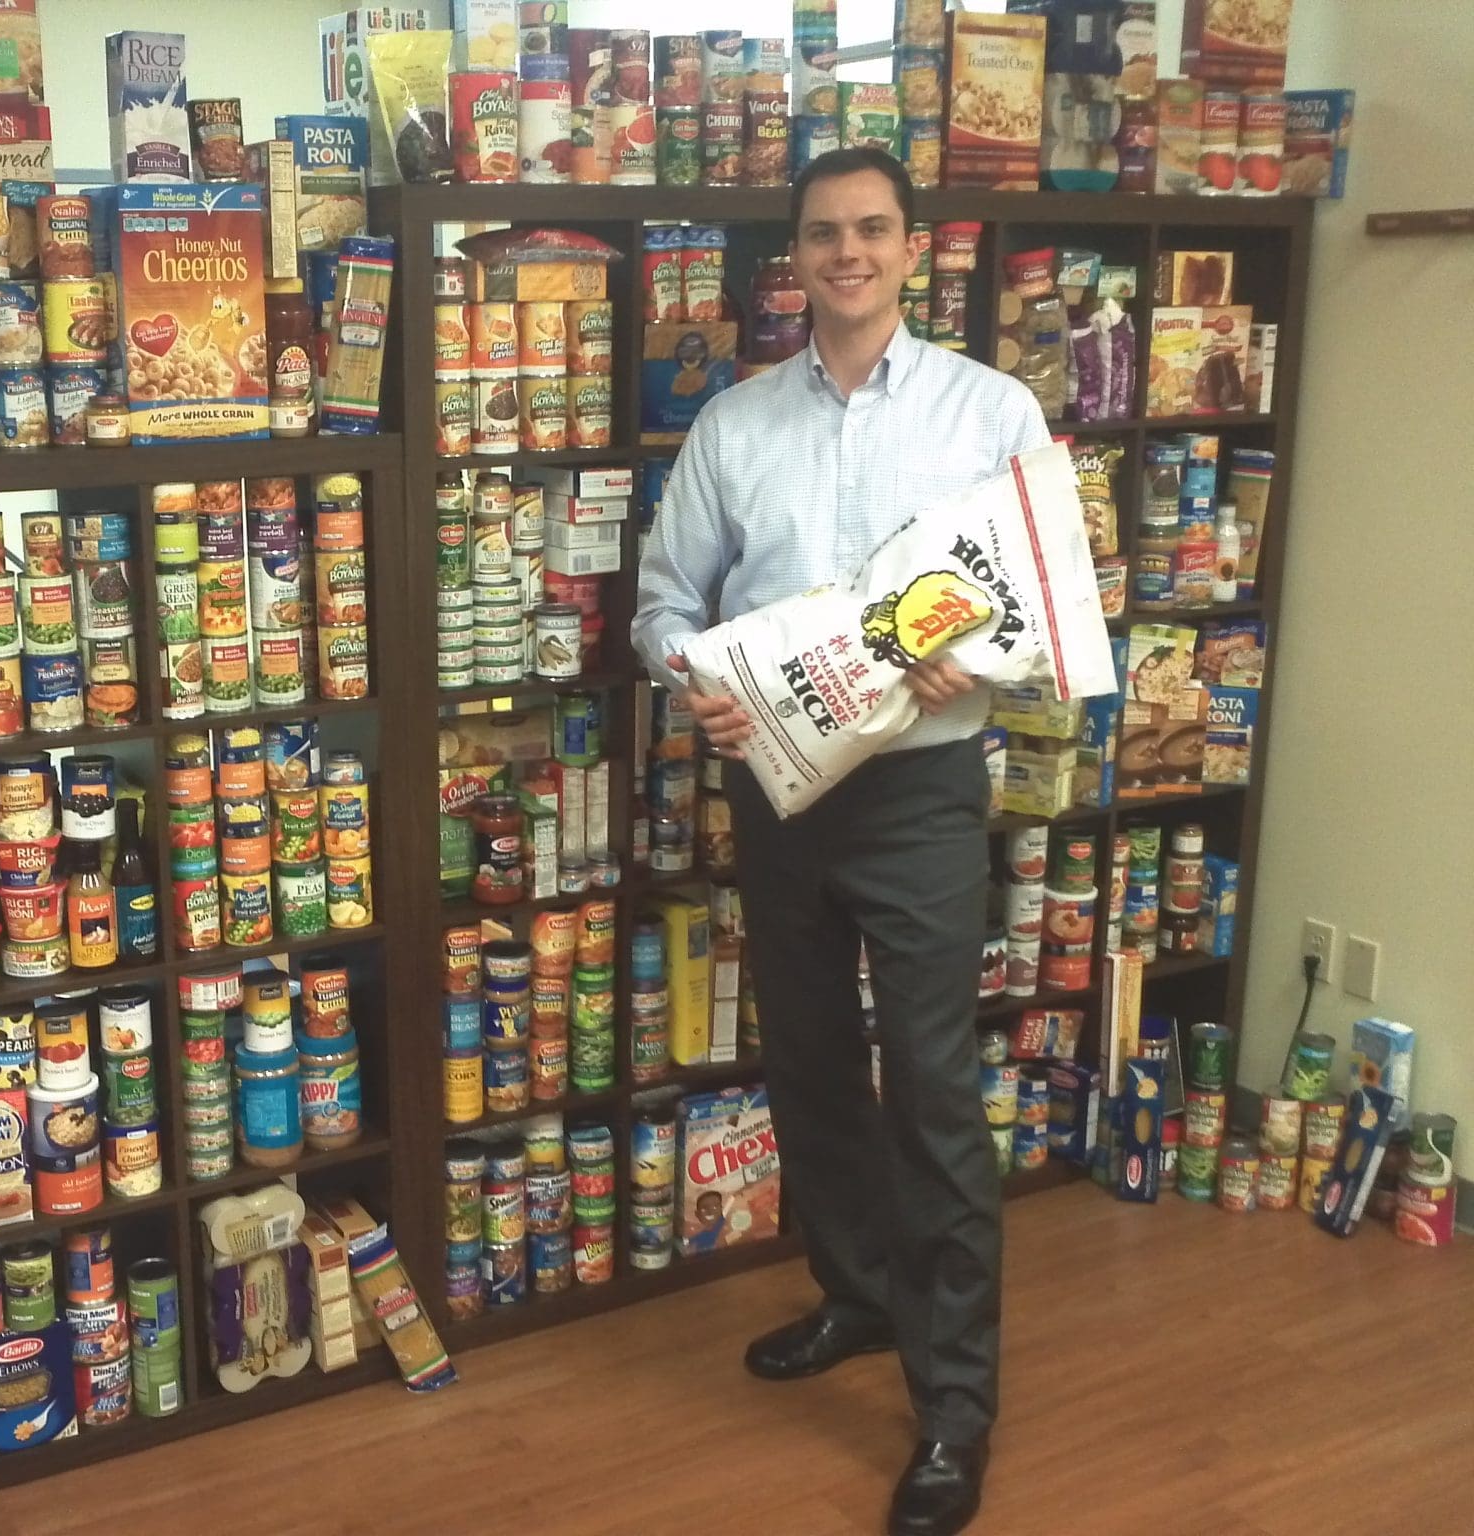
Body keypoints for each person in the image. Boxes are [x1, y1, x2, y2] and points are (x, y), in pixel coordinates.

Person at [631, 146, 1052, 1536]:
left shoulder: (993, 412)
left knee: (932, 1090)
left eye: (873, 230)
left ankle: (954, 1412)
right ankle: (859, 1302)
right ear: (793, 260)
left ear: (913, 248)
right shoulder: (736, 424)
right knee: (808, 1064)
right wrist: (701, 682)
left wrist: (981, 665)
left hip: (925, 794)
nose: (848, 253)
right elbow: (661, 602)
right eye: (824, 234)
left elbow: (1046, 612)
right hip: (781, 793)